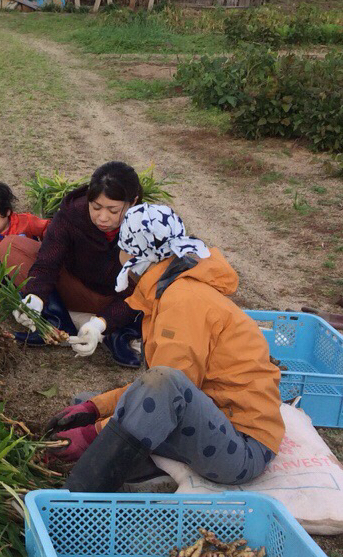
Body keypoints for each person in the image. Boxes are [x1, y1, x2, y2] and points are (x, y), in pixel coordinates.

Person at [45, 204, 285, 493]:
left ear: (134, 254)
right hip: (217, 421)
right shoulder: (171, 290)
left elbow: (167, 390)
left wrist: (93, 433)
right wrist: (94, 407)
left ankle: (77, 499)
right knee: (90, 402)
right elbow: (157, 390)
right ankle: (145, 473)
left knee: (149, 395)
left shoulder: (182, 301)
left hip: (240, 448)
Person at [14, 161, 145, 366]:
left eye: (113, 210)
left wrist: (101, 323)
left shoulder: (146, 228)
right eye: (96, 207)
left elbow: (143, 292)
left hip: (119, 299)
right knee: (12, 247)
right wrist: (35, 295)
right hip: (76, 287)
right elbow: (48, 261)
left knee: (160, 296)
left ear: (133, 202)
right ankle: (58, 322)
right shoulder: (72, 214)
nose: (102, 217)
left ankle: (111, 329)